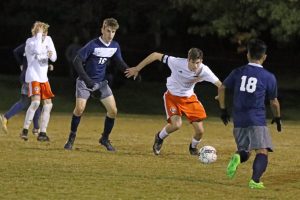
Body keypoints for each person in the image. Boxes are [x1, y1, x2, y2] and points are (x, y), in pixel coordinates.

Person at [125, 48, 222, 155]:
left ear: (201, 61)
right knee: (176, 125)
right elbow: (155, 55)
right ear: (188, 60)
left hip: (189, 99)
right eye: (193, 62)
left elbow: (220, 85)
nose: (195, 66)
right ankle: (159, 137)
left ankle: (193, 148)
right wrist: (137, 68)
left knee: (200, 131)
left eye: (198, 63)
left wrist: (220, 95)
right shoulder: (176, 62)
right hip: (172, 97)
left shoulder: (204, 70)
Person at [217, 39, 281, 189]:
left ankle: (238, 156)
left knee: (246, 150)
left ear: (247, 55)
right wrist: (277, 117)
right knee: (262, 150)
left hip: (239, 119)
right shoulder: (268, 76)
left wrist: (223, 110)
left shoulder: (238, 72)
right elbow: (274, 102)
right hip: (256, 118)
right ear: (264, 56)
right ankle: (255, 181)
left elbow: (222, 88)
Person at [64, 18, 129, 151]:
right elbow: (76, 61)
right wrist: (88, 81)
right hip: (84, 82)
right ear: (102, 30)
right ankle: (71, 137)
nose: (110, 34)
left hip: (101, 83)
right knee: (79, 109)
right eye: (108, 31)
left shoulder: (114, 46)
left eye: (113, 32)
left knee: (113, 111)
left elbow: (120, 63)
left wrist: (131, 71)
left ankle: (104, 138)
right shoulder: (93, 44)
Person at [20, 21, 57, 141]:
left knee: (48, 105)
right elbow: (37, 50)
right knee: (35, 103)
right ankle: (24, 130)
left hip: (43, 77)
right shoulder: (30, 41)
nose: (45, 33)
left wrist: (50, 55)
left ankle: (42, 133)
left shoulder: (48, 39)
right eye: (42, 31)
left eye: (45, 31)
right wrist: (39, 35)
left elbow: (54, 58)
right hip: (33, 76)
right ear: (36, 31)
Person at [0, 44, 42, 135]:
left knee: (27, 101)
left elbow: (15, 51)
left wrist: (21, 64)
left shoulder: (28, 43)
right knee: (35, 102)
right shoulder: (38, 44)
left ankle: (6, 117)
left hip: (24, 75)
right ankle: (36, 129)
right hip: (32, 76)